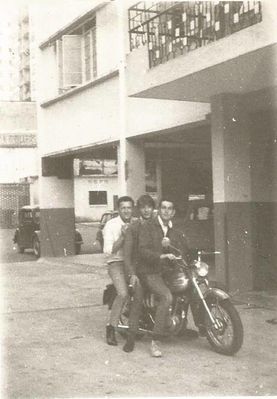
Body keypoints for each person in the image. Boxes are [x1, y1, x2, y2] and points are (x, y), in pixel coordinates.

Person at [138, 198, 189, 357]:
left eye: (170, 208)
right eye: (164, 208)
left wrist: (172, 246)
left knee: (189, 285)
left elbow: (183, 249)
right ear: (159, 210)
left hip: (167, 271)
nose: (166, 211)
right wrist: (161, 255)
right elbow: (142, 250)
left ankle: (196, 327)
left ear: (173, 212)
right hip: (150, 270)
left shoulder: (175, 230)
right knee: (166, 297)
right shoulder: (148, 226)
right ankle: (155, 341)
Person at [122, 194, 155, 353]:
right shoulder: (133, 228)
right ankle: (130, 336)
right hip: (137, 270)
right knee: (138, 296)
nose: (146, 210)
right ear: (139, 209)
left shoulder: (157, 225)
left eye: (149, 206)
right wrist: (132, 274)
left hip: (154, 269)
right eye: (143, 207)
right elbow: (127, 255)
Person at [103, 196, 134, 346]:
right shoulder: (111, 225)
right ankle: (111, 328)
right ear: (118, 209)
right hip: (116, 263)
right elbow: (108, 251)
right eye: (123, 208)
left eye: (129, 207)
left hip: (133, 263)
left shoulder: (136, 223)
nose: (126, 211)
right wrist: (123, 236)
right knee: (122, 293)